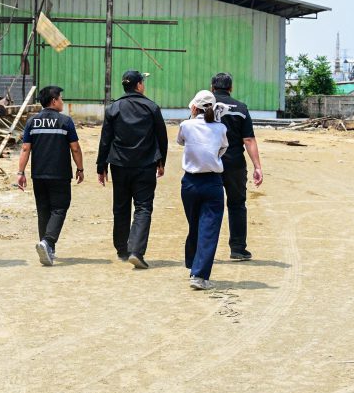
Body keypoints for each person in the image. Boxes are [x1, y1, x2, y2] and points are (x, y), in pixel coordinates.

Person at [96, 70, 168, 269]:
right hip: (145, 165)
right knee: (143, 207)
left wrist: (101, 166)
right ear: (138, 85)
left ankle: (122, 249)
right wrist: (162, 161)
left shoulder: (113, 108)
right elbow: (162, 136)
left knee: (120, 206)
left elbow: (105, 139)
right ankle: (136, 250)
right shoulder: (151, 107)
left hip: (119, 165)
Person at [16, 85, 85, 266]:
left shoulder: (32, 122)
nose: (62, 101)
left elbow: (25, 149)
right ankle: (47, 242)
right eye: (61, 98)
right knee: (60, 208)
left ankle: (47, 248)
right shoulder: (65, 121)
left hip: (38, 174)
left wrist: (20, 172)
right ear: (54, 100)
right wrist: (80, 168)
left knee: (43, 210)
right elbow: (75, 148)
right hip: (60, 174)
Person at [178, 91, 230, 290]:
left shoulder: (186, 125)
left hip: (190, 183)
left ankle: (193, 263)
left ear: (194, 107)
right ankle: (198, 274)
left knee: (195, 224)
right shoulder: (221, 128)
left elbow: (181, 142)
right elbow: (222, 149)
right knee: (208, 228)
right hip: (212, 182)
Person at [210, 72, 264, 260]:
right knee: (237, 204)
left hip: (209, 163)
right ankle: (238, 248)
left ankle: (205, 249)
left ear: (212, 87)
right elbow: (248, 139)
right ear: (230, 88)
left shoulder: (204, 106)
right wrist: (257, 166)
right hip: (234, 164)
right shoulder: (240, 108)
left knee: (208, 206)